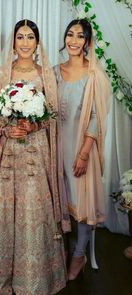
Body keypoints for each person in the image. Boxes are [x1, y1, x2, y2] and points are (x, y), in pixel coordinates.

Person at [0, 19, 70, 295]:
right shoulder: (3, 72)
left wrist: (34, 124)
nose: (25, 42)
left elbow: (53, 114)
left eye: (30, 37)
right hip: (8, 152)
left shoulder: (45, 73)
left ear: (37, 43)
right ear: (13, 42)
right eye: (20, 37)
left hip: (35, 152)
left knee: (32, 209)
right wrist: (6, 127)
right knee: (2, 208)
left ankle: (35, 278)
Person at [54, 19, 111, 280]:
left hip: (80, 149)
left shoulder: (94, 75)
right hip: (55, 148)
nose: (73, 41)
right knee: (61, 203)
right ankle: (62, 251)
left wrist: (84, 154)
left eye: (79, 36)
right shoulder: (54, 72)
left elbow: (96, 118)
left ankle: (79, 255)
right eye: (70, 35)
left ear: (87, 42)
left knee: (82, 205)